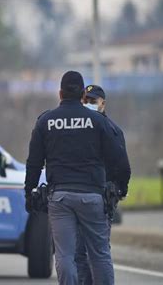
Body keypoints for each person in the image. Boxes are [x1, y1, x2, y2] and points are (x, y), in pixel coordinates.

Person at [24, 71, 130, 285]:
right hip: (92, 196)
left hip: (60, 197)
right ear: (82, 93)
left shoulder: (46, 121)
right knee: (99, 254)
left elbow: (34, 163)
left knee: (65, 255)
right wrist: (120, 189)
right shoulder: (98, 121)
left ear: (60, 93)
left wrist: (29, 193)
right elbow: (120, 161)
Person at [75, 84, 131, 285]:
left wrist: (118, 190)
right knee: (79, 253)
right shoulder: (79, 128)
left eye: (92, 101)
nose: (88, 104)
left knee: (96, 253)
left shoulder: (111, 129)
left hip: (102, 196)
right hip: (82, 194)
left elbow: (122, 166)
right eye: (85, 101)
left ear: (103, 103)